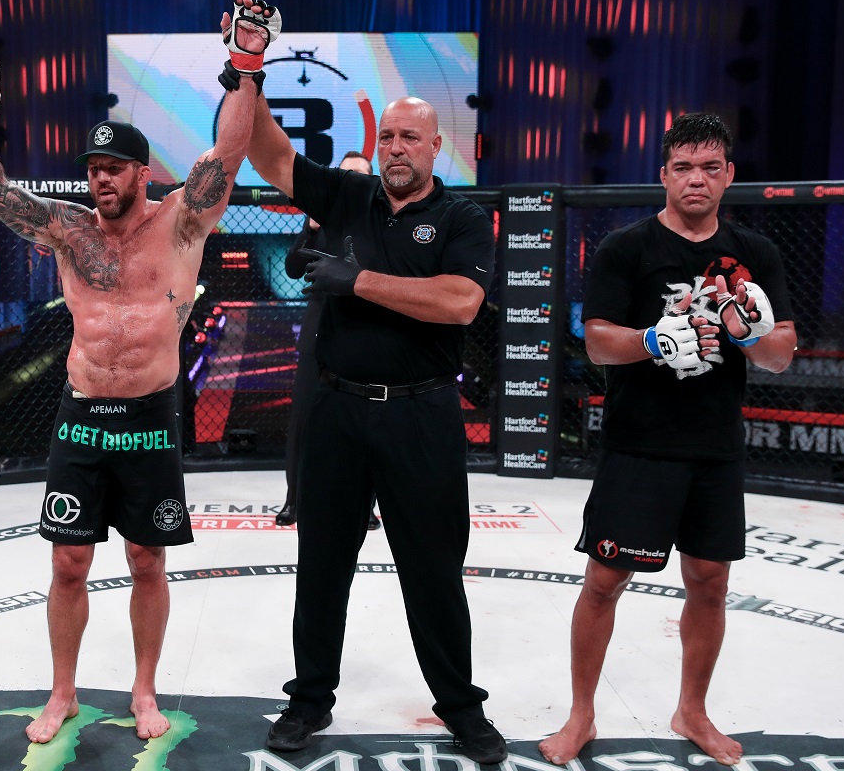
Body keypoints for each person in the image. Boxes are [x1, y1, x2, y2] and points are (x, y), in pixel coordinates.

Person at [0, 0, 279, 745]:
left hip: (151, 416)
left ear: (140, 173)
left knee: (146, 560)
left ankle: (143, 689)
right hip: (83, 414)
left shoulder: (182, 222)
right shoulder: (67, 231)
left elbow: (227, 154)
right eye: (93, 168)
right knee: (68, 563)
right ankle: (62, 692)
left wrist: (246, 60)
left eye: (113, 168)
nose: (101, 178)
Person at [242, 89, 507, 763]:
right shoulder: (347, 195)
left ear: (435, 147)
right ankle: (308, 700)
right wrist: (248, 76)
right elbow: (270, 155)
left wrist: (357, 281)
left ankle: (460, 707)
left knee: (434, 570)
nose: (395, 149)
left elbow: (461, 301)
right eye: (387, 137)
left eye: (409, 138)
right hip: (337, 408)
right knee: (321, 566)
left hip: (422, 414)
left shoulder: (461, 218)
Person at [538, 113, 796, 767]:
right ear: (664, 174)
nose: (696, 179)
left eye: (709, 167)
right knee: (605, 580)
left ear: (729, 174)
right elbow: (598, 342)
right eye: (683, 167)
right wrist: (654, 339)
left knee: (710, 582)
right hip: (639, 443)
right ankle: (581, 715)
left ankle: (692, 711)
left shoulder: (756, 254)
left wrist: (747, 334)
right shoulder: (626, 248)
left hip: (715, 446)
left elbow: (781, 354)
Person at [278, 150, 379, 532]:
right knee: (303, 418)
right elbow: (292, 268)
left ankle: (366, 506)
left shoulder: (380, 224)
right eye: (346, 174)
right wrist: (311, 229)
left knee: (365, 423)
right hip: (319, 332)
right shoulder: (322, 218)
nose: (352, 182)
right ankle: (294, 499)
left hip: (365, 335)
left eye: (359, 175)